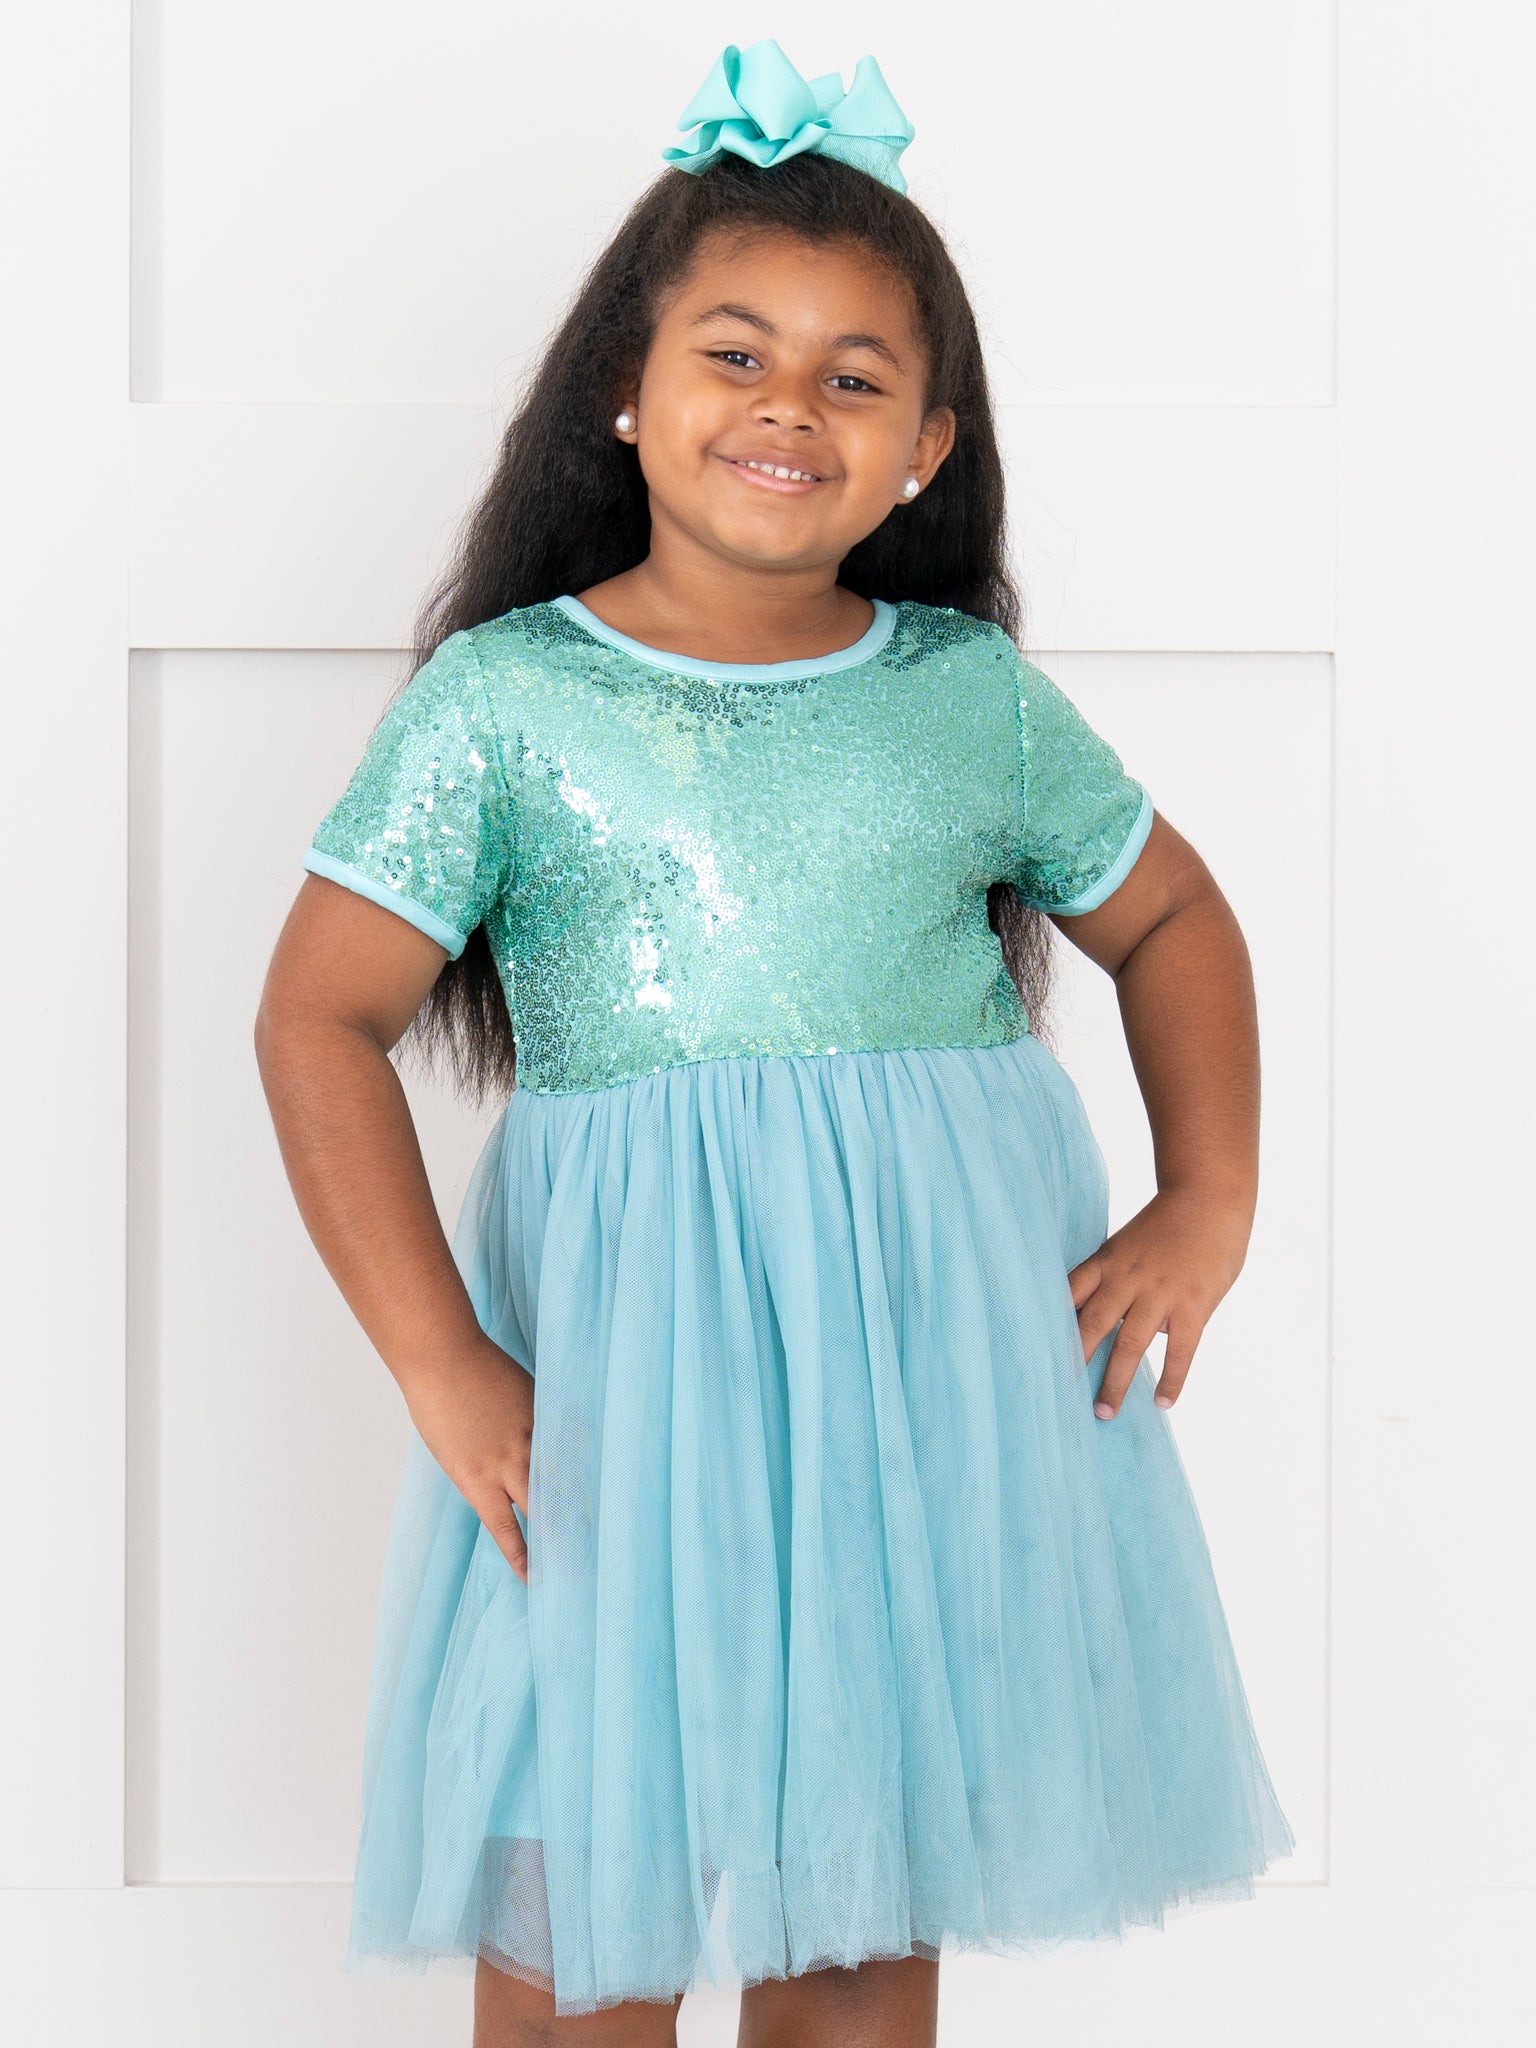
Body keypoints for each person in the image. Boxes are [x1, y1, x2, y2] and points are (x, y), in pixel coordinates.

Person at [254, 39, 1294, 2048]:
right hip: (617, 1397)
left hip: (924, 1386)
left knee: (862, 1916)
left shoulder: (967, 697)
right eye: (736, 354)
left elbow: (1172, 916)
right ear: (626, 392)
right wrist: (442, 1359)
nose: (787, 406)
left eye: (852, 376)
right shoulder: (509, 700)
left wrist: (1212, 1194)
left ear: (924, 448)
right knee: (579, 1913)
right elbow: (319, 1015)